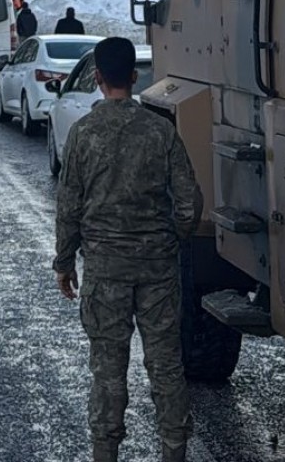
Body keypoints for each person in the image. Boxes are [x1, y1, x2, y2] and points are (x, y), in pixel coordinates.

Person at [53, 37, 201, 462]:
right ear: (135, 78)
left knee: (107, 371)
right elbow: (189, 201)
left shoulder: (82, 135)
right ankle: (174, 451)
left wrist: (65, 262)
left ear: (97, 78)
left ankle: (106, 452)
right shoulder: (161, 131)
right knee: (166, 367)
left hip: (105, 270)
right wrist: (172, 239)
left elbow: (69, 207)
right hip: (156, 269)